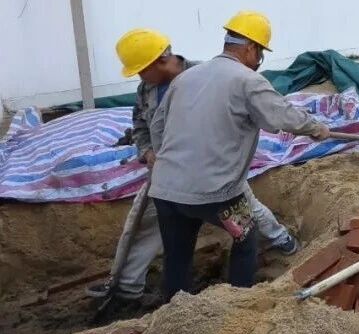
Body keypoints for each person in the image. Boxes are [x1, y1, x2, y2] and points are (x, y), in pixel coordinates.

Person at [86, 28, 300, 303]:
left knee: (248, 213)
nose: (140, 78)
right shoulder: (147, 90)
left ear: (159, 61)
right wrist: (148, 151)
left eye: (142, 71)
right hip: (168, 175)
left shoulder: (203, 76)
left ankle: (280, 239)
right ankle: (129, 288)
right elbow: (141, 125)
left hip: (214, 172)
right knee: (144, 227)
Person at [148, 11, 330, 301]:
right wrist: (315, 128)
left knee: (177, 257)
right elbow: (281, 114)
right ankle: (237, 302)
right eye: (260, 54)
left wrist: (170, 161)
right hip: (217, 194)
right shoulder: (248, 80)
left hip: (166, 192)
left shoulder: (185, 78)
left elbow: (157, 126)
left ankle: (174, 310)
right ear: (250, 48)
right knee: (246, 236)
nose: (258, 61)